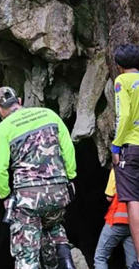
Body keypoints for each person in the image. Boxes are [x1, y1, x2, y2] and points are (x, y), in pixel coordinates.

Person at [0, 86, 77, 269]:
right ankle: (66, 261)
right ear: (19, 101)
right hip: (58, 190)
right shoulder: (49, 115)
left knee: (26, 252)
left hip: (28, 198)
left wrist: (5, 196)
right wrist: (70, 176)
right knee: (53, 228)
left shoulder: (3, 128)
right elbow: (68, 148)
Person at [112, 44, 139, 269]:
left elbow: (125, 115)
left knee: (133, 201)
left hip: (132, 147)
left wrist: (115, 146)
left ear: (119, 66)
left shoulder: (122, 81)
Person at [94, 169, 137, 269]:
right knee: (133, 263)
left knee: (100, 257)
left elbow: (109, 197)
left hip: (117, 220)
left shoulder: (117, 169)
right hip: (134, 225)